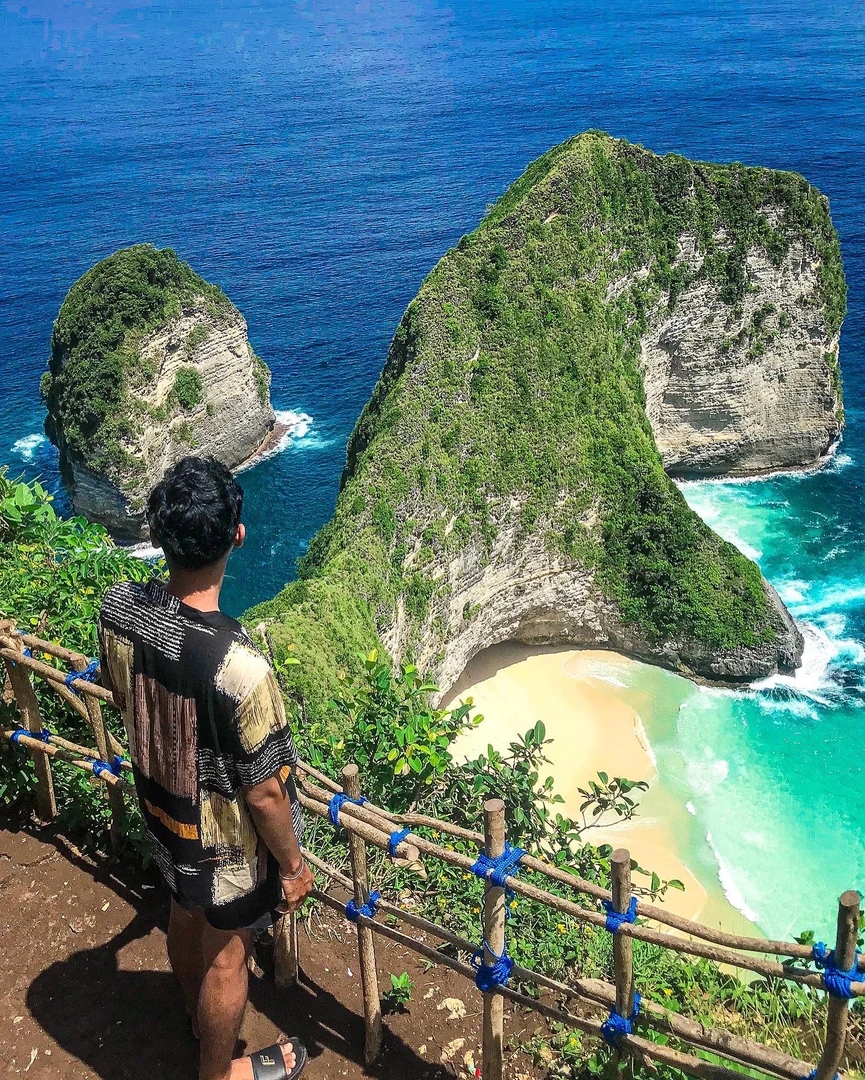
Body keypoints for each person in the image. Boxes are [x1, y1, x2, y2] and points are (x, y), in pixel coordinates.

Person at [97, 456, 313, 1080]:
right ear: (236, 536)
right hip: (223, 846)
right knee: (227, 958)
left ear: (160, 537)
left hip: (162, 806)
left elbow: (122, 693)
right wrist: (294, 869)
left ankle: (196, 1024)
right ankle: (219, 1072)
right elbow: (268, 793)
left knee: (182, 908)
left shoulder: (119, 610)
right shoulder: (240, 669)